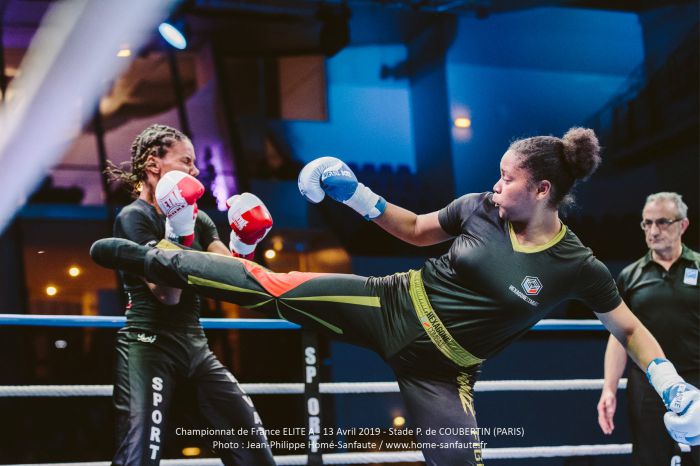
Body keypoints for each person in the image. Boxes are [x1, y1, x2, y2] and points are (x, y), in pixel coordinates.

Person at [92, 128, 700, 466]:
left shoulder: (578, 266)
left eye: (508, 178)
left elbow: (630, 328)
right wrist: (353, 192)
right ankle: (150, 256)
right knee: (275, 286)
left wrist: (672, 383)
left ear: (542, 189)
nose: (495, 185)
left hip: (443, 375)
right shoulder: (476, 209)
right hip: (391, 304)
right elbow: (412, 228)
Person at [103, 124, 275, 466]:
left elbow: (233, 278)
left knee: (254, 451)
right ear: (154, 165)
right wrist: (179, 233)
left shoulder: (201, 220)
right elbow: (166, 294)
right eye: (186, 161)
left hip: (195, 346)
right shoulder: (133, 218)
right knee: (137, 457)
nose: (196, 171)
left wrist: (245, 245)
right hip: (148, 346)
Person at [597, 192, 699, 465]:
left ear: (683, 225)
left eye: (663, 222)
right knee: (649, 458)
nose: (654, 230)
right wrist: (609, 388)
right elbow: (620, 336)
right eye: (647, 223)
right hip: (648, 386)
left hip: (697, 379)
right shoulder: (630, 276)